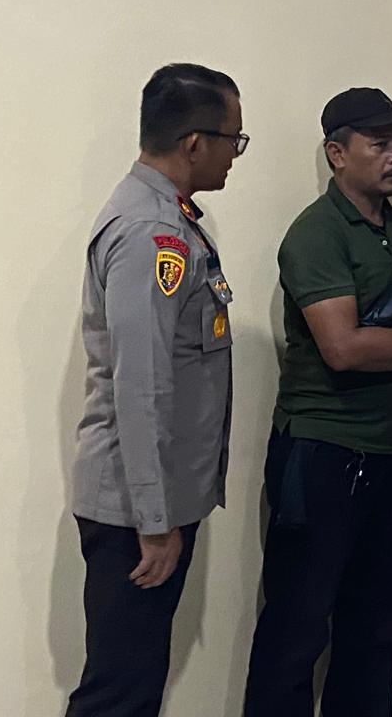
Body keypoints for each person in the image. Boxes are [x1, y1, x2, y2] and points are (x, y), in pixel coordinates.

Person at [242, 87, 392, 717]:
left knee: (379, 628)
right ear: (337, 153)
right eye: (380, 143)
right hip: (324, 453)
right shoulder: (315, 234)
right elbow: (343, 347)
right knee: (296, 630)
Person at [67, 63, 245, 717]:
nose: (236, 155)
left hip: (148, 502)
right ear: (195, 143)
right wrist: (155, 520)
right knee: (118, 695)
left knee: (133, 687)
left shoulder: (167, 218)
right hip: (135, 512)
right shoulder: (152, 233)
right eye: (233, 139)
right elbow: (139, 388)